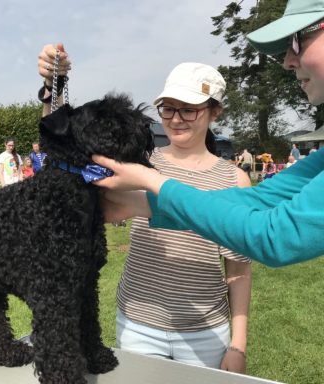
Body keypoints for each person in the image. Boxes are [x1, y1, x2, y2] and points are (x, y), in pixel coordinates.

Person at [38, 48, 252, 372]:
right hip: (139, 324)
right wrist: (52, 88)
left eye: (189, 110)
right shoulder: (137, 163)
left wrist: (238, 345)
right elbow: (61, 153)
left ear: (215, 111)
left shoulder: (235, 180)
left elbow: (237, 273)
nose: (176, 119)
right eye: (167, 108)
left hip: (205, 332)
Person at [90, 0, 324, 269]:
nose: (287, 61)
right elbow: (259, 200)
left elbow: (278, 236)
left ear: (215, 112)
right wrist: (138, 202)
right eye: (168, 108)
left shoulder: (229, 174)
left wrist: (150, 180)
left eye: (297, 40)